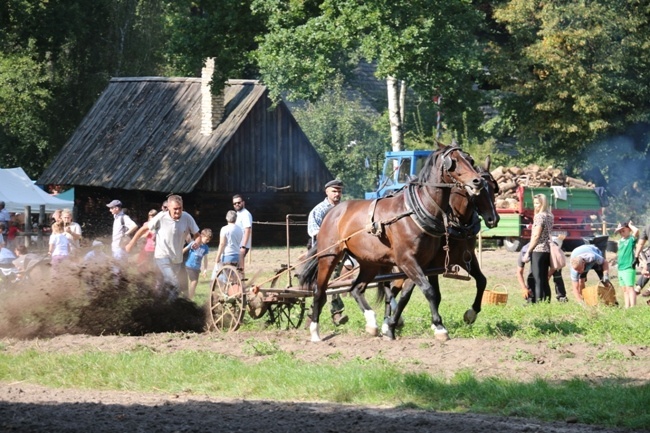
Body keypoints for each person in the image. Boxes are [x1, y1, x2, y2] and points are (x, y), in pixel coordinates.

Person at [126, 194, 199, 296]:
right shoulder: (161, 217)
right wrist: (131, 243)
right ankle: (171, 308)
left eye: (180, 208)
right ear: (168, 208)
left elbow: (197, 235)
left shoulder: (187, 217)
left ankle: (158, 304)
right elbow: (143, 229)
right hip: (162, 256)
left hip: (177, 259)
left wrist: (197, 242)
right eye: (175, 209)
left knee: (166, 286)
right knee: (175, 284)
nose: (178, 211)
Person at [307, 179, 348, 326]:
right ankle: (337, 313)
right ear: (327, 192)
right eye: (334, 191)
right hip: (323, 251)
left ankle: (313, 313)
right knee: (332, 279)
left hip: (343, 250)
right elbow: (314, 232)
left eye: (339, 191)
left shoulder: (345, 209)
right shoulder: (319, 210)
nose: (337, 194)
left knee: (329, 281)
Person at [522, 194, 554, 303]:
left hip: (538, 249)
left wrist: (528, 252)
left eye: (537, 203)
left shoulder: (539, 216)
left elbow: (536, 236)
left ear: (543, 204)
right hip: (547, 249)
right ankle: (547, 301)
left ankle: (539, 303)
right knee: (544, 278)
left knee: (537, 279)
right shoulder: (550, 216)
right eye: (534, 203)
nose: (535, 206)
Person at [614, 221, 639, 308]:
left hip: (628, 267)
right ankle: (626, 306)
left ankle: (633, 307)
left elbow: (636, 231)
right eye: (620, 232)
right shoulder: (620, 241)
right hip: (620, 268)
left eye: (623, 230)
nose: (621, 233)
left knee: (630, 288)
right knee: (624, 289)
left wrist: (630, 225)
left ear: (629, 230)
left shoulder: (631, 239)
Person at [183, 228, 212, 300]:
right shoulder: (194, 243)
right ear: (202, 236)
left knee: (194, 283)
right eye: (207, 239)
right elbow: (184, 249)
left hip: (197, 268)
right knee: (194, 281)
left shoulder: (206, 247)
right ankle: (189, 298)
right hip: (189, 265)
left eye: (209, 240)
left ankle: (189, 296)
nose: (208, 241)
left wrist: (205, 270)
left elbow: (205, 259)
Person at [232, 194, 252, 269]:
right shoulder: (238, 214)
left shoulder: (245, 214)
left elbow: (247, 230)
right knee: (237, 267)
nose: (237, 204)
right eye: (234, 203)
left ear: (243, 202)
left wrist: (243, 246)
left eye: (239, 202)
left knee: (239, 267)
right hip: (237, 245)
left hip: (242, 245)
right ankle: (239, 280)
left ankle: (240, 280)